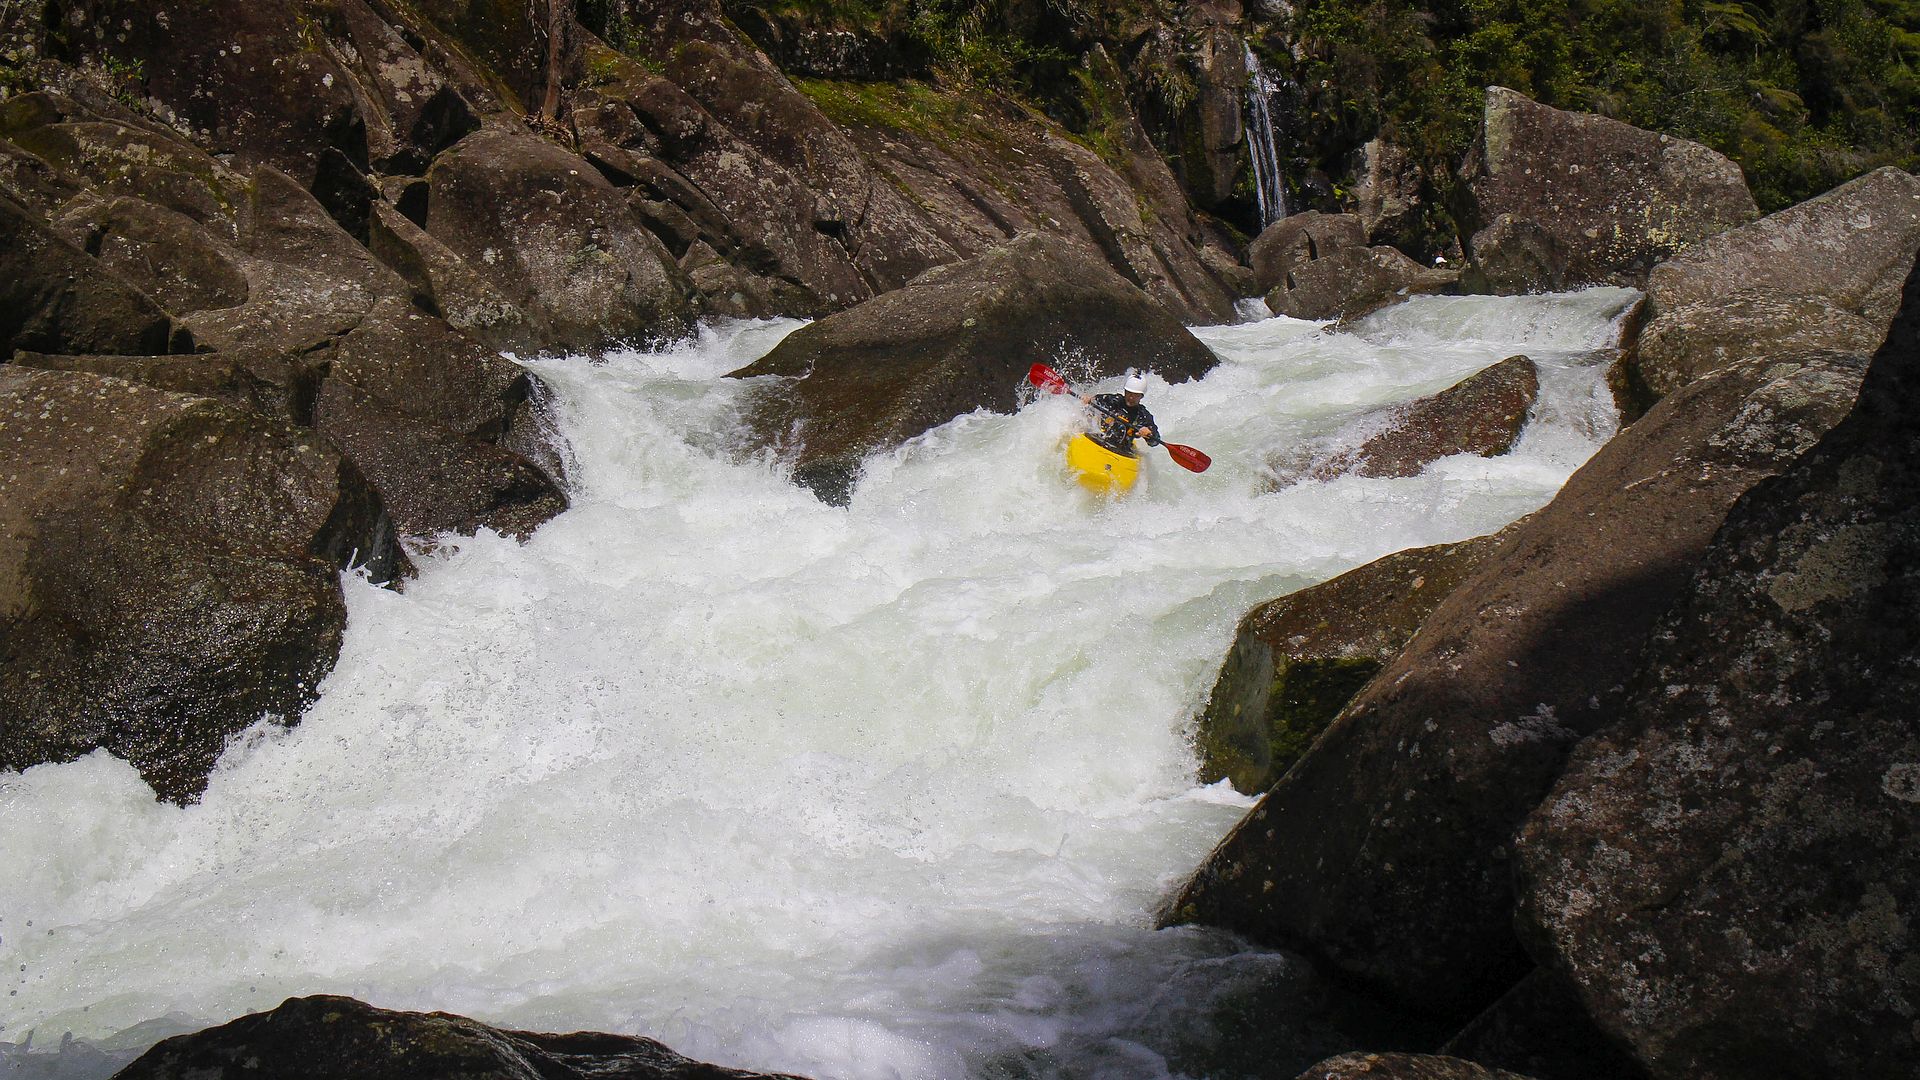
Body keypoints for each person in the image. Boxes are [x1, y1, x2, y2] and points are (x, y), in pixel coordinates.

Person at [1084, 372, 1161, 457]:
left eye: (1136, 395)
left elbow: (1155, 442)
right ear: (1125, 391)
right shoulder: (1113, 400)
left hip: (1122, 451)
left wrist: (1149, 434)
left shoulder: (1143, 416)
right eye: (1129, 393)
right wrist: (1088, 400)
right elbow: (1093, 401)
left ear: (1141, 396)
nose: (1131, 397)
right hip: (1098, 440)